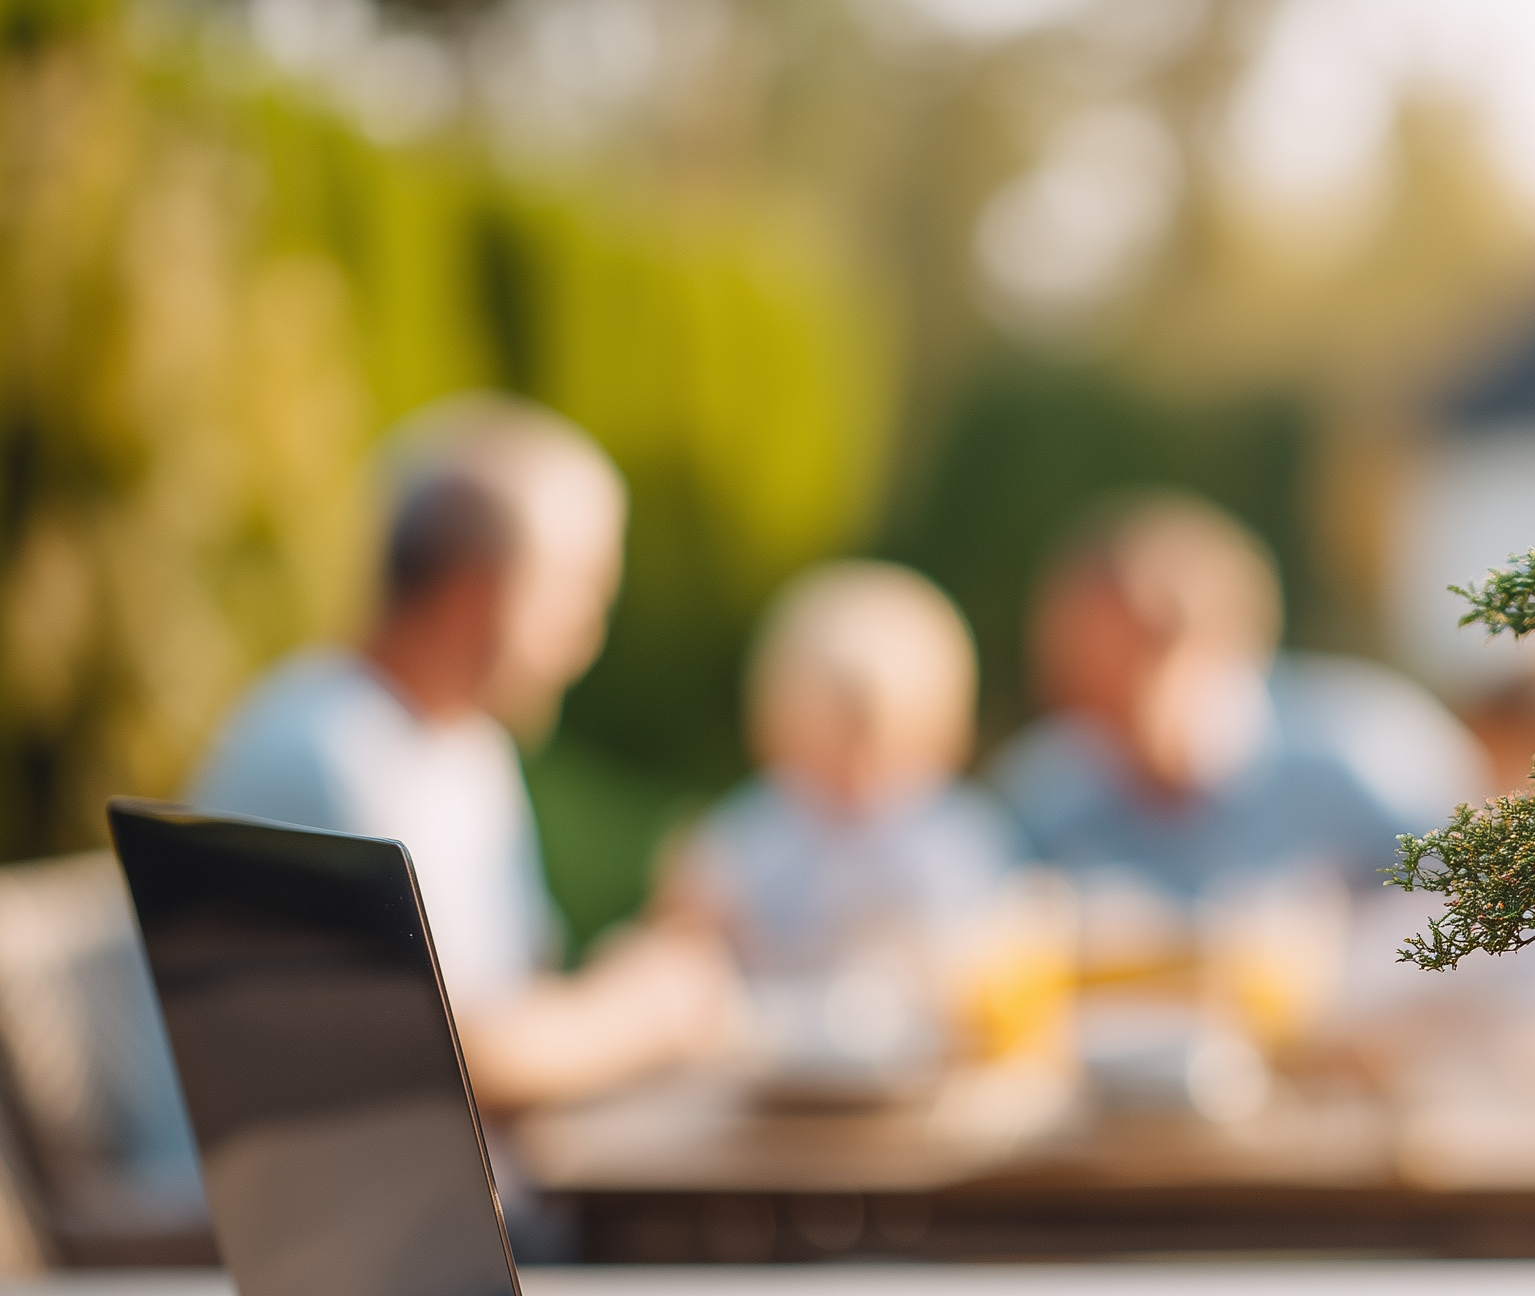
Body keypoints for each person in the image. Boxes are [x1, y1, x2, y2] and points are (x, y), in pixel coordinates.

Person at [188, 395, 735, 1115]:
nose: (589, 638)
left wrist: (636, 977)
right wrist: (648, 1010)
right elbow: (455, 1060)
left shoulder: (466, 749)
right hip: (286, 1217)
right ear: (477, 595)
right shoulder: (324, 753)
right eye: (579, 595)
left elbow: (511, 1003)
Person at [988, 493, 1479, 900]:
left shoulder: (1369, 755)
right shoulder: (1047, 795)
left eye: (1137, 660)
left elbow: (1481, 919)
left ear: (1226, 644)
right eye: (1076, 673)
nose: (1091, 701)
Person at [654, 560, 1020, 976]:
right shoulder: (759, 829)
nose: (857, 769)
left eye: (883, 748)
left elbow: (993, 942)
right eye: (832, 739)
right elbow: (696, 930)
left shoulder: (952, 835)